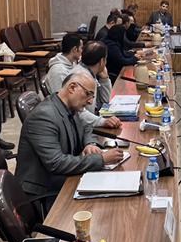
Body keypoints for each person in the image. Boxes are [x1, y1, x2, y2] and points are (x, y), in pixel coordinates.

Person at [16, 72, 124, 211]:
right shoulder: (43, 116)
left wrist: (90, 144)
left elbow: (86, 127)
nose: (90, 101)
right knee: (108, 206)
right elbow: (57, 163)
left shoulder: (68, 106)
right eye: (88, 94)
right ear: (72, 87)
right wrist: (101, 159)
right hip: (45, 191)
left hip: (65, 178)